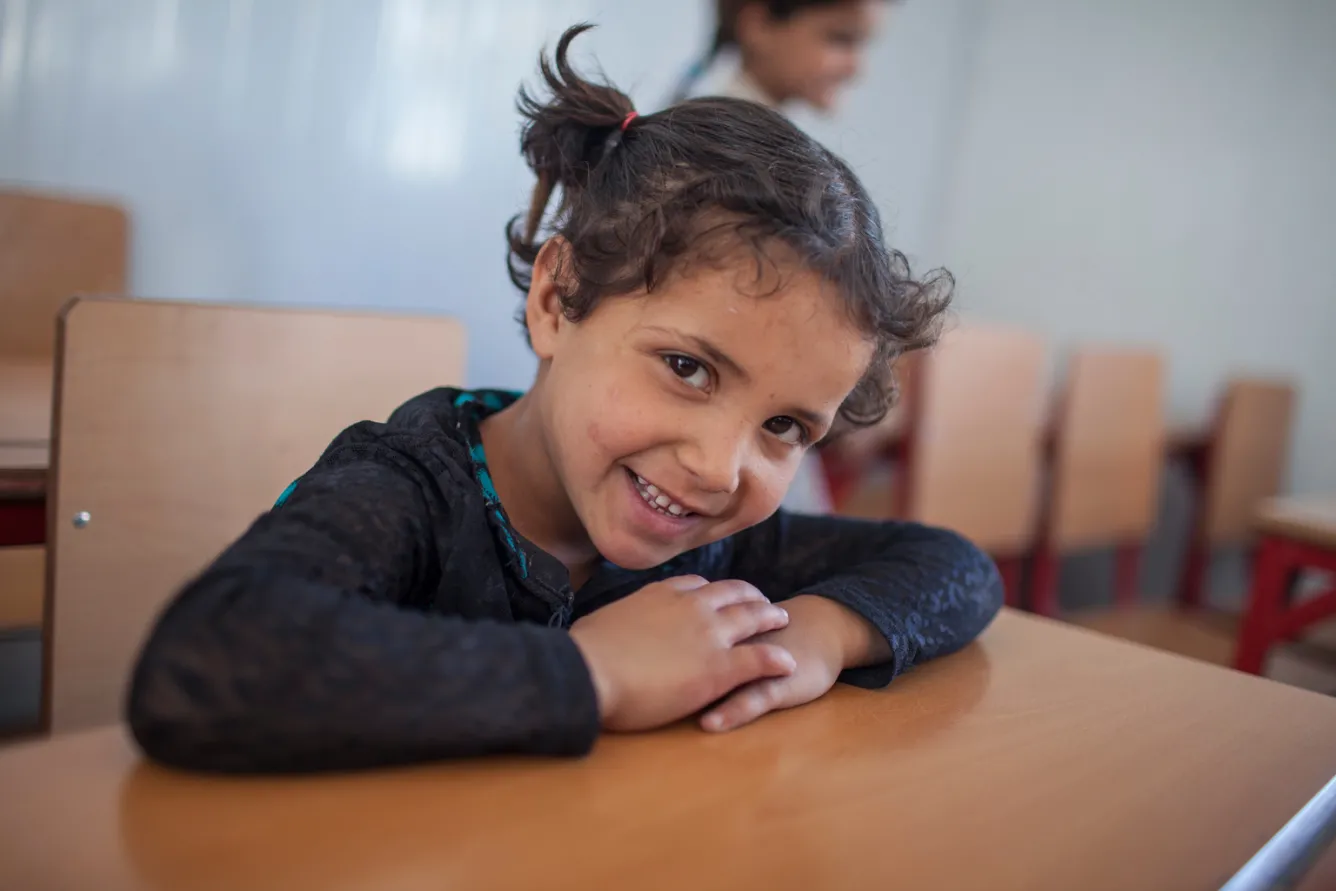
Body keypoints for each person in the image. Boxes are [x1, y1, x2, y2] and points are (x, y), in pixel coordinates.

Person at [126, 24, 1000, 774]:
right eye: (688, 369)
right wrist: (590, 673)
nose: (717, 466)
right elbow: (206, 657)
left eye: (783, 426)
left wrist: (817, 633)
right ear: (556, 300)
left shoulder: (701, 538)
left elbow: (955, 565)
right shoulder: (410, 488)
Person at [672, 0, 889, 110]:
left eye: (863, 45)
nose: (856, 68)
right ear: (758, 25)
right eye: (840, 39)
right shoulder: (720, 144)